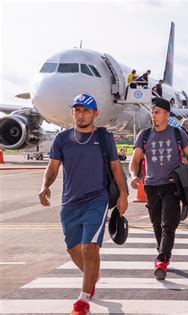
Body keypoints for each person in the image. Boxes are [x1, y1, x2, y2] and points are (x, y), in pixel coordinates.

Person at [38, 93, 128, 315]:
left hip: (96, 200)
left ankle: (83, 300)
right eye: (77, 110)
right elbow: (53, 167)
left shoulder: (104, 138)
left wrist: (123, 194)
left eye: (86, 110)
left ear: (95, 114)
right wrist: (45, 186)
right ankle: (92, 274)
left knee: (90, 247)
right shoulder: (62, 139)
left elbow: (116, 168)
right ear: (72, 112)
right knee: (73, 249)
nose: (81, 114)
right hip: (70, 202)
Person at [129, 97, 188, 281]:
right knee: (156, 224)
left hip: (171, 185)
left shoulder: (178, 134)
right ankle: (163, 252)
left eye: (157, 112)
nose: (153, 115)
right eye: (152, 112)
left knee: (169, 223)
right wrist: (134, 176)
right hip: (150, 186)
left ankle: (162, 259)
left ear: (167, 114)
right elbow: (134, 161)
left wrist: (183, 173)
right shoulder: (144, 134)